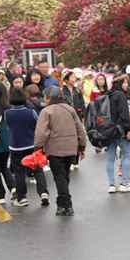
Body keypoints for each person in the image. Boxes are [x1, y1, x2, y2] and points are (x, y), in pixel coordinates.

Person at [34, 86, 87, 216]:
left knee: (59, 177)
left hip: (54, 149)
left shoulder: (46, 111)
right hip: (71, 148)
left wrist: (38, 147)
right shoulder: (70, 109)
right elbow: (80, 129)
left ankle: (67, 205)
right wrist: (82, 146)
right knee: (64, 176)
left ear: (49, 97)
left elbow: (41, 133)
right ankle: (61, 204)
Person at [5, 86, 49, 208]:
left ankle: (22, 197)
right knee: (37, 169)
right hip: (31, 145)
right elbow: (38, 125)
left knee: (19, 173)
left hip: (15, 147)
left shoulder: (7, 113)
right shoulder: (31, 112)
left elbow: (7, 127)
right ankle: (43, 193)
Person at [104, 73, 130, 194]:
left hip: (108, 131)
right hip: (121, 131)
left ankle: (111, 184)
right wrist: (128, 130)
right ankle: (125, 183)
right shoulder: (121, 95)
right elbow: (124, 115)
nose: (126, 85)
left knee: (110, 158)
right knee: (126, 155)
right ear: (120, 83)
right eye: (125, 82)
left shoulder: (107, 95)